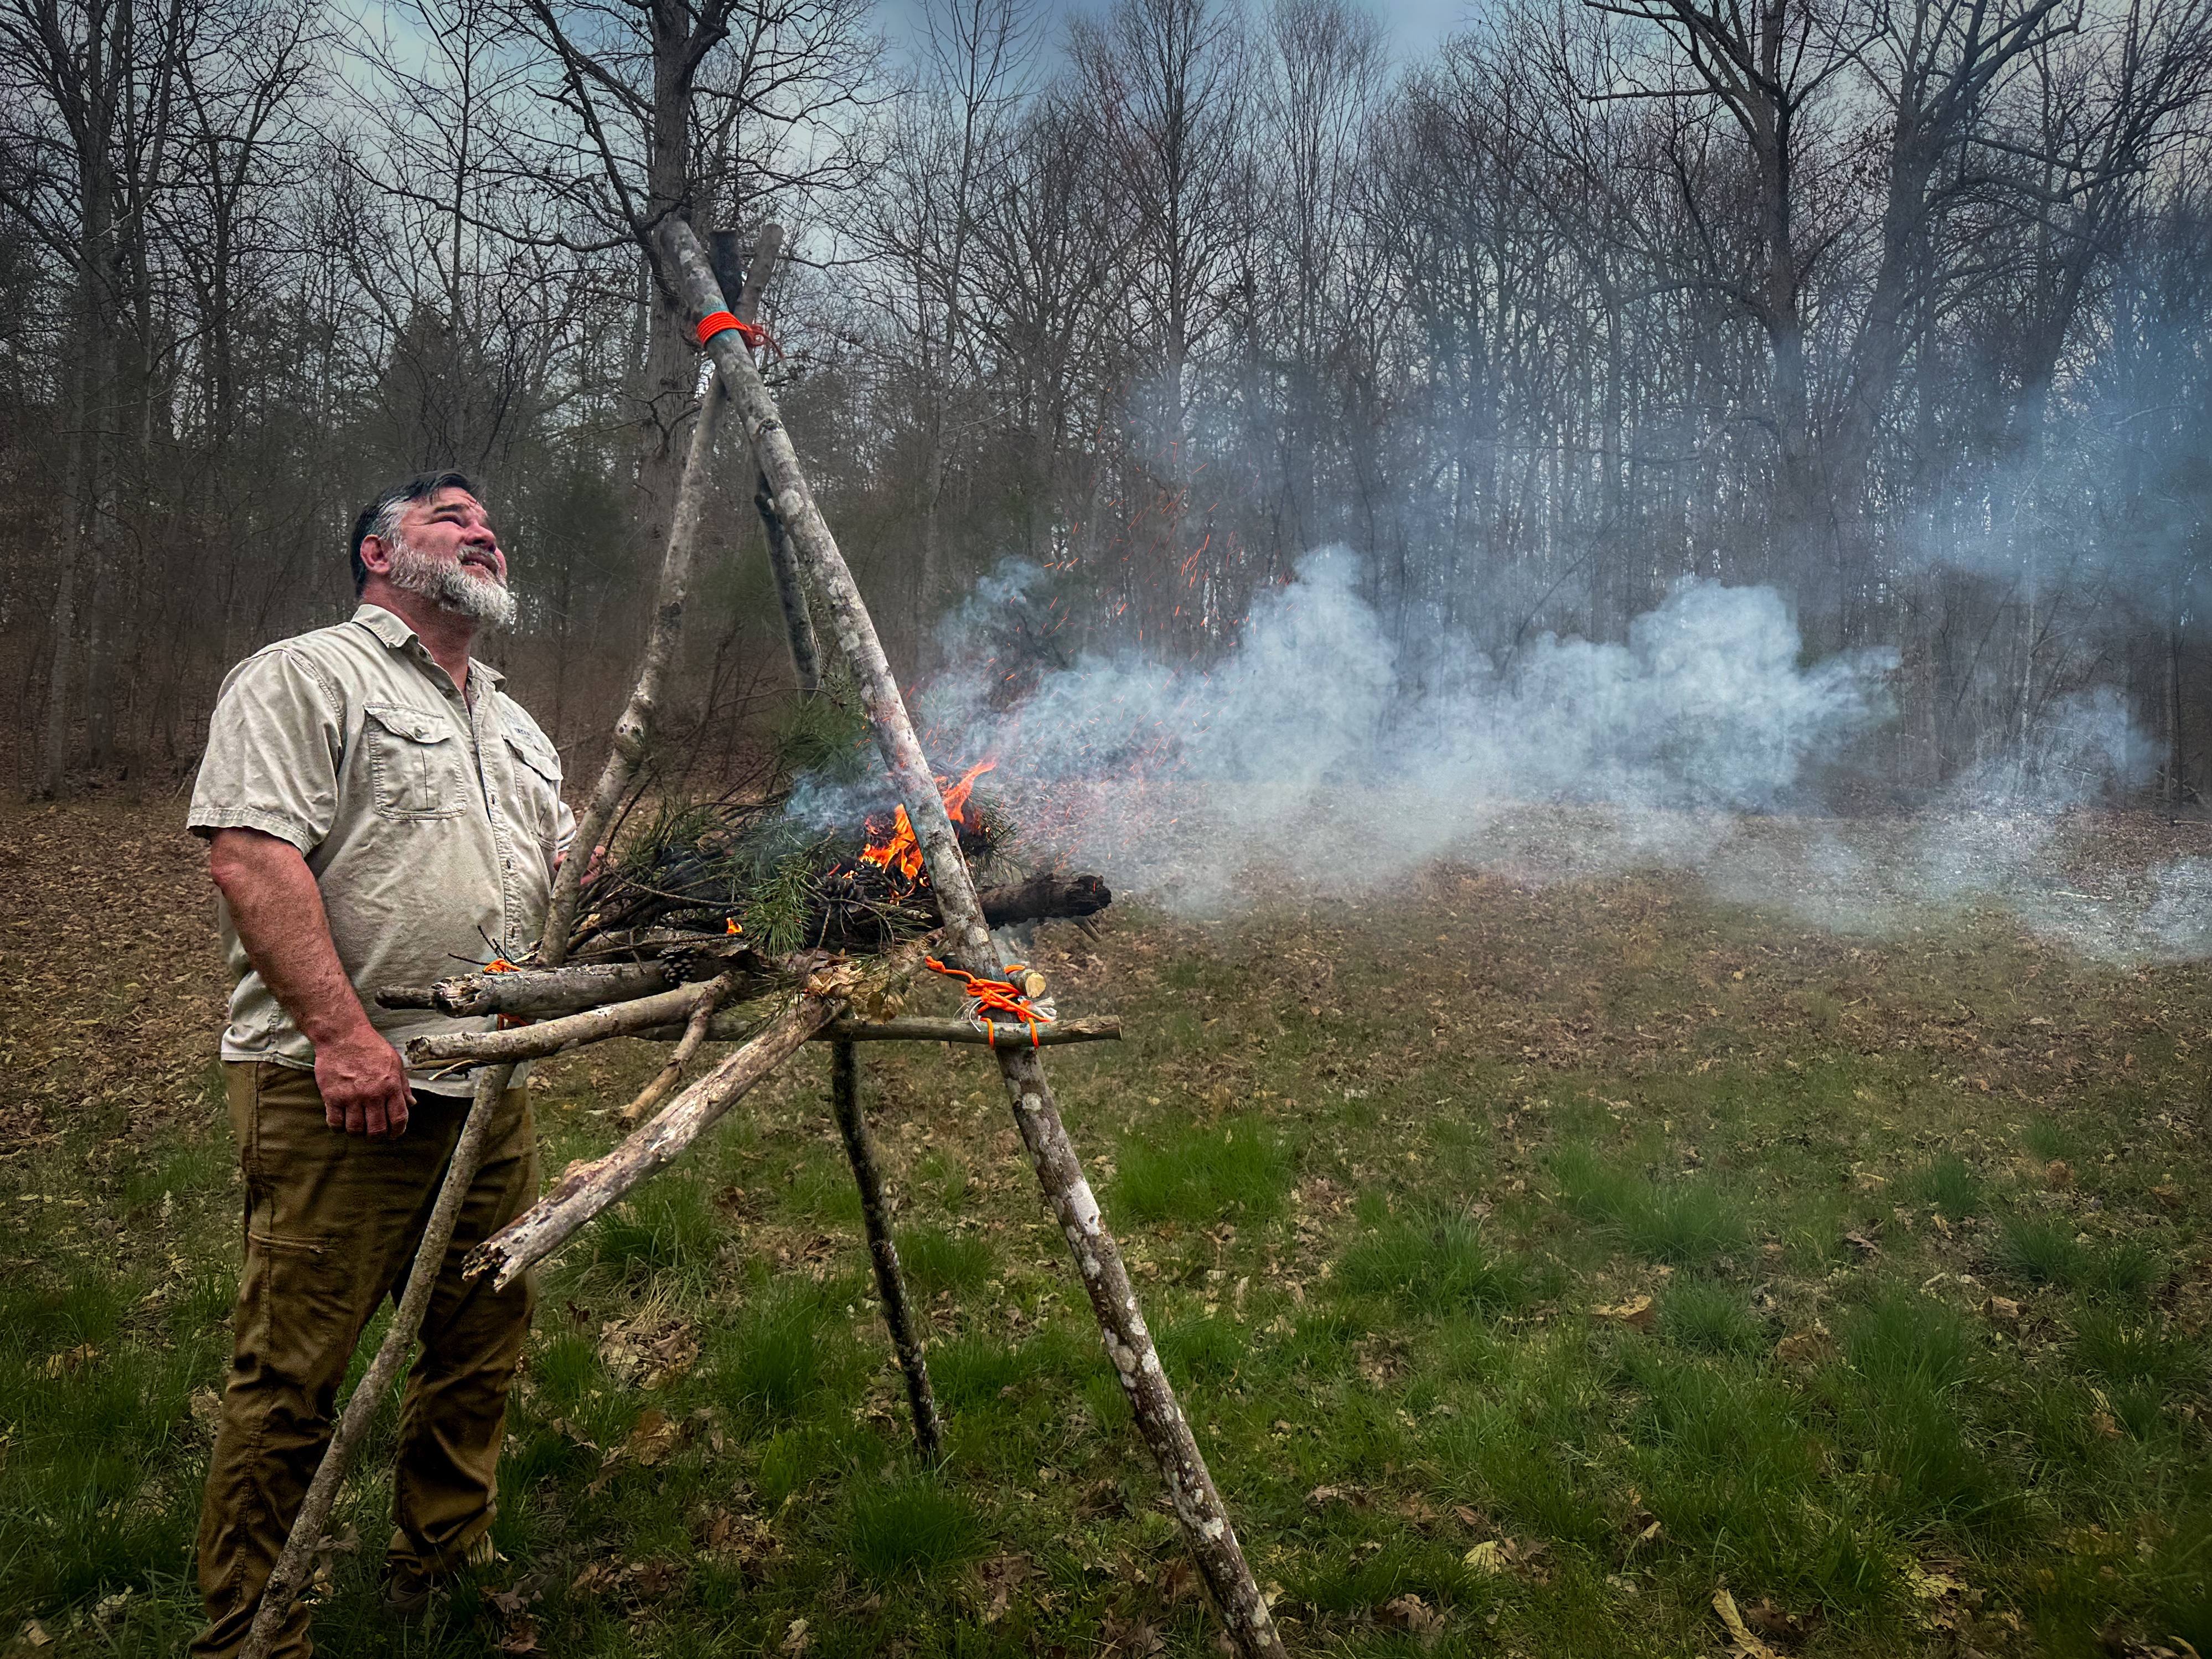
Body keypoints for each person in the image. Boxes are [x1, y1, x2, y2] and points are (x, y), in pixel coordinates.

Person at [185, 472, 573, 1657]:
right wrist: (344, 1036)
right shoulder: (304, 676)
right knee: (294, 1373)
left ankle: (441, 1563)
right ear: (375, 552)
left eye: (489, 524)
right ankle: (254, 1625)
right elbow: (253, 856)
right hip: (337, 1084)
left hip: (485, 1081)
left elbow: (561, 881)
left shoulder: (513, 720)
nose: (483, 532)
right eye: (451, 518)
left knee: (477, 1338)